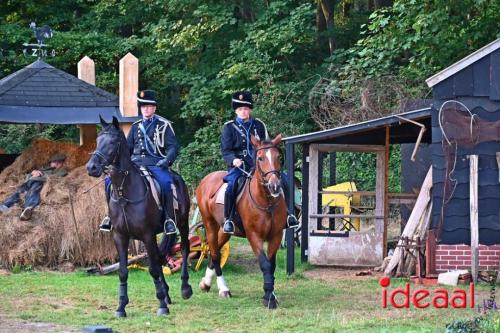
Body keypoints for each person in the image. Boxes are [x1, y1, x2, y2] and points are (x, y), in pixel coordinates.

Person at [99, 89, 179, 235]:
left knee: (166, 183)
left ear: (154, 108)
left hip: (156, 163)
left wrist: (167, 160)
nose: (146, 109)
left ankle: (168, 219)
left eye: (149, 106)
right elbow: (128, 148)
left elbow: (173, 147)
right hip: (135, 164)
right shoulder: (136, 126)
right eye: (143, 106)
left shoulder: (163, 125)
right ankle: (110, 216)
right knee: (108, 181)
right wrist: (117, 164)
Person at [220, 91, 299, 234]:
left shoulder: (259, 125)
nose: (243, 112)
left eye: (245, 109)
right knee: (231, 186)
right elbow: (226, 150)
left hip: (262, 164)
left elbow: (267, 144)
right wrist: (233, 160)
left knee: (286, 180)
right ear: (236, 111)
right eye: (240, 109)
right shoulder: (229, 127)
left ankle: (289, 215)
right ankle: (229, 219)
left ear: (249, 109)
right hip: (240, 165)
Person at [0, 153, 67, 220]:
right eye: (54, 162)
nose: (56, 163)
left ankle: (28, 208)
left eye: (59, 162)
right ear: (50, 163)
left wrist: (38, 177)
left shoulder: (61, 170)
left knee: (34, 190)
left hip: (41, 182)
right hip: (30, 181)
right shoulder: (44, 168)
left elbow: (55, 178)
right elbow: (27, 176)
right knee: (19, 191)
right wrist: (33, 173)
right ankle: (5, 206)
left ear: (62, 163)